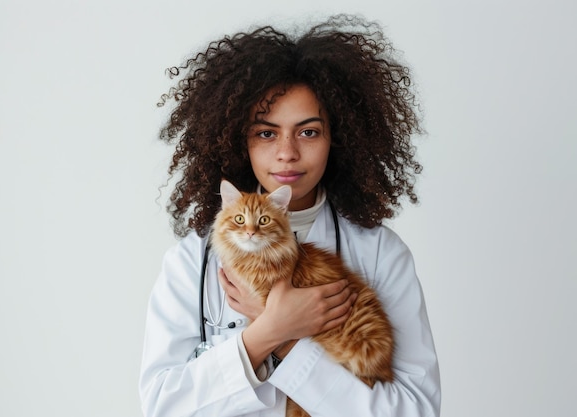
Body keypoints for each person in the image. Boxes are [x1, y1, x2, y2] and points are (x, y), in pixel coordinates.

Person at [140, 14, 440, 417]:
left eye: (309, 132)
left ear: (340, 138)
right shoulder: (192, 261)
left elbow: (414, 410)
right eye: (266, 133)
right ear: (237, 139)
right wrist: (264, 334)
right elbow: (162, 406)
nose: (287, 153)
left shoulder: (380, 254)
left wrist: (287, 341)